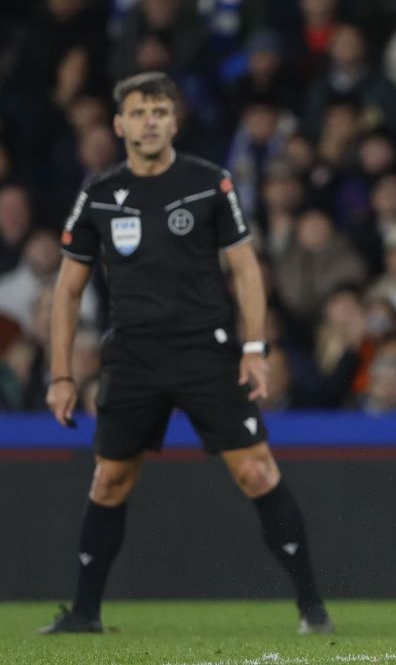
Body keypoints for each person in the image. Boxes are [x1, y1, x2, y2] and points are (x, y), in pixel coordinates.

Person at [40, 73, 331, 636]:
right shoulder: (99, 192)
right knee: (108, 482)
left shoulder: (209, 183)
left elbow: (245, 269)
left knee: (256, 470)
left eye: (160, 111)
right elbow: (68, 291)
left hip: (207, 351)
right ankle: (84, 615)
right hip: (132, 358)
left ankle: (311, 608)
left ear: (175, 122)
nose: (150, 120)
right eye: (138, 111)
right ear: (119, 124)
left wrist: (253, 348)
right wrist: (60, 376)